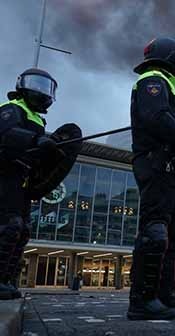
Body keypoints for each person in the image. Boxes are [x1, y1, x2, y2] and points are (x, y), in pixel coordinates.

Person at [127, 37, 175, 320]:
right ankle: (142, 300)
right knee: (155, 232)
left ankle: (165, 296)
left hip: (168, 169)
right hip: (155, 164)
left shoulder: (167, 89)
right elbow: (157, 118)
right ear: (170, 58)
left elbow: (170, 122)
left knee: (172, 236)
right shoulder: (153, 80)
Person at [0, 68, 62, 299]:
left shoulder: (37, 118)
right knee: (9, 226)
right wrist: (36, 140)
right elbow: (8, 135)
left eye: (47, 87)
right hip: (6, 176)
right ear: (22, 86)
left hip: (24, 180)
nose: (42, 92)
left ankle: (7, 280)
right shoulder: (11, 109)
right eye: (36, 84)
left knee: (22, 230)